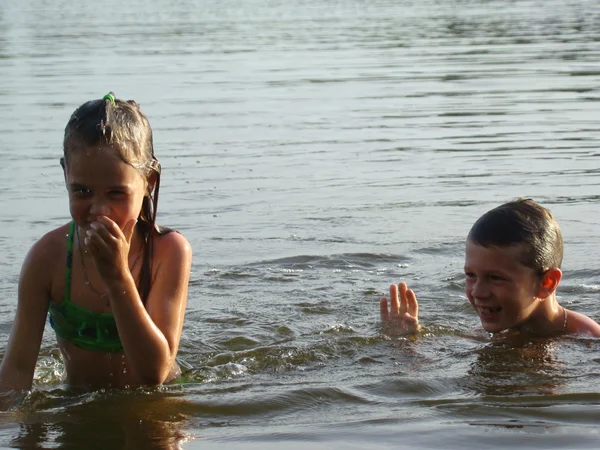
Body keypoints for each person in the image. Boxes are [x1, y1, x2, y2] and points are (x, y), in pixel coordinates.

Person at [0, 93, 192, 392]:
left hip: (156, 405)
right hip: (77, 401)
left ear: (149, 182)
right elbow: (16, 370)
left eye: (116, 193)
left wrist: (118, 278)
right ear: (65, 175)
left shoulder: (168, 251)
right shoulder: (47, 257)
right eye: (82, 191)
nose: (99, 209)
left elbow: (154, 374)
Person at [380, 198, 600, 337]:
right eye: (471, 275)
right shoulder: (502, 325)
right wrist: (408, 340)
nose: (477, 292)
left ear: (547, 282)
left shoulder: (587, 339)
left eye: (496, 278)